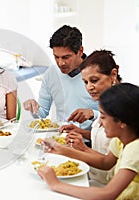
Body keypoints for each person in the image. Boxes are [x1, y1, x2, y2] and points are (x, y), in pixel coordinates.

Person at [39, 83, 139, 200]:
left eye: (103, 117)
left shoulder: (135, 149)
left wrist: (55, 184)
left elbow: (108, 194)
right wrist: (62, 150)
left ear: (122, 121)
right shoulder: (120, 141)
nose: (100, 122)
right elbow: (105, 162)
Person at [59, 50, 121, 186]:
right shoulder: (104, 103)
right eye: (85, 82)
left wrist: (82, 148)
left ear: (113, 75)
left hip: (109, 185)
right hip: (91, 176)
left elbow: (111, 160)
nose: (89, 87)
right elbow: (108, 142)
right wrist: (81, 132)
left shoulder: (122, 109)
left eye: (94, 80)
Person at [23, 25, 98, 130]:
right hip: (61, 138)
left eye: (66, 57)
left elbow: (114, 117)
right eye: (56, 57)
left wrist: (93, 114)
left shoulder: (98, 73)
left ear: (80, 51)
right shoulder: (51, 73)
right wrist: (33, 107)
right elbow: (42, 113)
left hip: (91, 140)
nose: (60, 63)